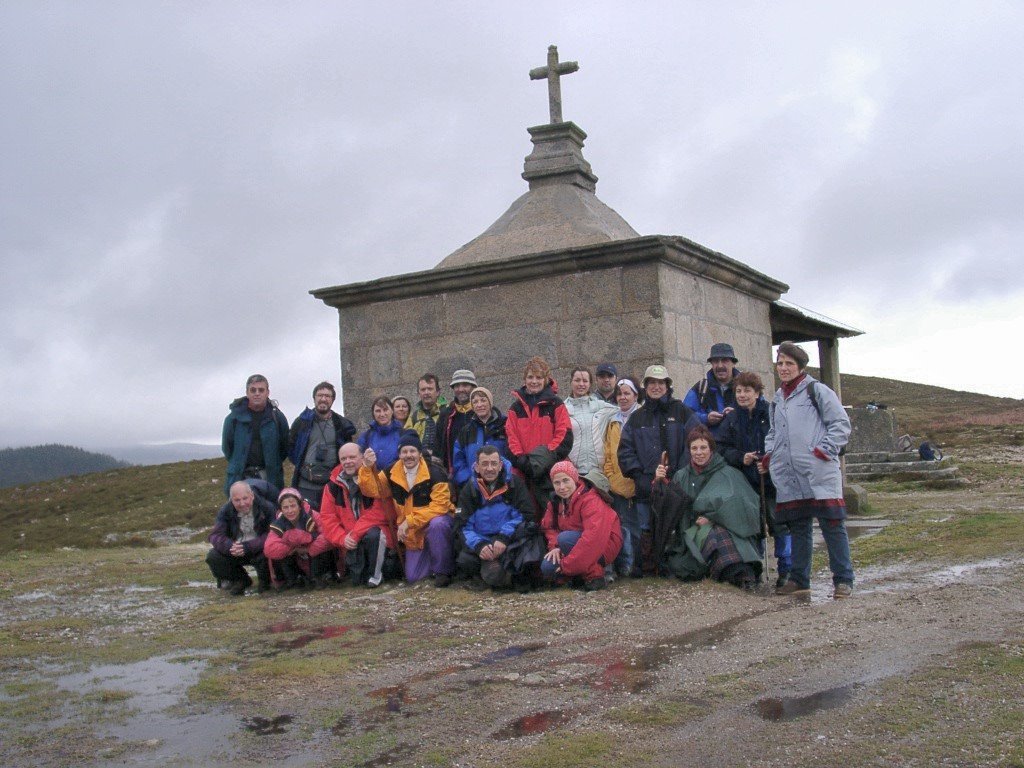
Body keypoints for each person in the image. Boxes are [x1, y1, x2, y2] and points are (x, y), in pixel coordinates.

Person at [763, 342, 854, 599]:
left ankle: (844, 580)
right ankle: (800, 579)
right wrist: (771, 453)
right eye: (780, 363)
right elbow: (773, 431)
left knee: (832, 525)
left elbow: (840, 423)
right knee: (799, 526)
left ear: (800, 366)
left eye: (789, 363)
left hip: (818, 469)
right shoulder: (777, 398)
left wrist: (823, 450)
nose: (783, 368)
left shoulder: (818, 391)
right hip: (790, 474)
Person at [616, 365, 700, 574]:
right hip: (647, 485)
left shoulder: (681, 411)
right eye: (651, 382)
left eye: (660, 382)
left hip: (677, 483)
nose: (656, 387)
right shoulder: (636, 418)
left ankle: (674, 566)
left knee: (675, 525)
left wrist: (681, 472)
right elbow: (625, 451)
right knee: (645, 527)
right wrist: (639, 475)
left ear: (667, 386)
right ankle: (649, 566)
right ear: (645, 386)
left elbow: (696, 439)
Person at [657, 426, 763, 589]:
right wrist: (660, 482)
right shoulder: (681, 476)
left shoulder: (729, 473)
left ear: (711, 449)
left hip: (728, 528)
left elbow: (742, 506)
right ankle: (738, 575)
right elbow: (670, 510)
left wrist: (714, 518)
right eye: (694, 448)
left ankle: (742, 574)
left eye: (703, 447)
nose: (699, 452)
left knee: (719, 535)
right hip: (691, 530)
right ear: (689, 450)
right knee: (711, 538)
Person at [717, 371, 792, 587]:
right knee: (753, 526)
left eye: (747, 391)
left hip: (772, 482)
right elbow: (721, 447)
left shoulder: (771, 413)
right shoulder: (731, 419)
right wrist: (742, 458)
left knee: (779, 524)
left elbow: (782, 441)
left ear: (757, 392)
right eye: (738, 391)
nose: (742, 395)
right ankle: (754, 566)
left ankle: (786, 569)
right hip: (746, 483)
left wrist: (767, 460)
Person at [361, 431, 455, 587]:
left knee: (438, 524)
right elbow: (374, 490)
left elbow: (440, 506)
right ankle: (432, 562)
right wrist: (366, 468)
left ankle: (443, 572)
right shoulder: (391, 472)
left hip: (432, 522)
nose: (408, 455)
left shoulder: (435, 473)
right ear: (399, 454)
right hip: (413, 532)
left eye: (412, 451)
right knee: (413, 577)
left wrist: (409, 521)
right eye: (404, 451)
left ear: (419, 453)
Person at [454, 446, 541, 591]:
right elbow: (461, 524)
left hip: (509, 539)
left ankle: (510, 576)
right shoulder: (469, 489)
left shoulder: (514, 483)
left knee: (530, 543)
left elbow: (527, 514)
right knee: (465, 559)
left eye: (493, 463)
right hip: (484, 541)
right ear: (476, 467)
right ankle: (488, 576)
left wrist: (504, 537)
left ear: (500, 465)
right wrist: (479, 545)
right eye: (485, 464)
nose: (489, 468)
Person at [319, 443, 400, 588]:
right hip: (350, 540)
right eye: (343, 458)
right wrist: (342, 538)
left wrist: (355, 534)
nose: (347, 461)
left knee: (375, 534)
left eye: (352, 457)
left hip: (376, 535)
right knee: (357, 581)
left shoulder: (376, 477)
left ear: (362, 457)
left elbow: (380, 513)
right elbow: (327, 518)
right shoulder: (332, 486)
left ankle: (377, 576)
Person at [540, 460, 622, 591]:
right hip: (573, 543)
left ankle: (594, 576)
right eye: (557, 483)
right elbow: (549, 527)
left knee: (565, 539)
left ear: (575, 479)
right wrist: (555, 546)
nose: (562, 487)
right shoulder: (555, 502)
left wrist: (567, 566)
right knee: (548, 567)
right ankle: (578, 575)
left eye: (566, 481)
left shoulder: (590, 499)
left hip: (605, 544)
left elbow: (593, 539)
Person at [505, 356, 573, 514]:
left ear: (546, 379)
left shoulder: (556, 404)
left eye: (538, 377)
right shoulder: (515, 408)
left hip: (551, 472)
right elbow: (511, 437)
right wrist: (522, 460)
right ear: (524, 379)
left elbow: (564, 436)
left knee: (554, 515)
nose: (534, 381)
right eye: (530, 377)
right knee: (529, 515)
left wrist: (542, 460)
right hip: (524, 471)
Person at [287, 381, 357, 510]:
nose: (323, 399)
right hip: (306, 483)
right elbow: (290, 447)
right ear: (314, 398)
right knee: (308, 521)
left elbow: (347, 451)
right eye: (320, 395)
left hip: (332, 483)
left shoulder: (341, 424)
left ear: (333, 400)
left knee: (331, 520)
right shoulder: (302, 421)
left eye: (327, 396)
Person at [221, 374, 289, 496]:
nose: (257, 393)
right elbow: (227, 449)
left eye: (261, 390)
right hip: (240, 477)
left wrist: (273, 463)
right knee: (240, 513)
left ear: (268, 392)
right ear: (247, 393)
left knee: (269, 512)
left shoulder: (277, 418)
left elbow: (284, 448)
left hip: (270, 478)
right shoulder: (233, 419)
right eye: (253, 390)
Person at [205, 480, 275, 595]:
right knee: (213, 556)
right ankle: (241, 580)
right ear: (231, 500)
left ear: (251, 496)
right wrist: (230, 546)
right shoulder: (225, 511)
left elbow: (272, 534)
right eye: (237, 500)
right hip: (235, 550)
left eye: (245, 498)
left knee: (269, 552)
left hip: (259, 550)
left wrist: (248, 547)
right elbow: (215, 535)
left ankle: (265, 582)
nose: (242, 503)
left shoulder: (267, 507)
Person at [602, 377, 642, 578]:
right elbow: (608, 452)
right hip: (617, 484)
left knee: (639, 527)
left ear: (636, 395)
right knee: (623, 527)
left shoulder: (642, 417)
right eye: (620, 394)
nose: (623, 397)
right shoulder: (614, 421)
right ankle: (626, 566)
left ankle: (639, 565)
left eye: (627, 393)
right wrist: (610, 474)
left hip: (638, 483)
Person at [263, 487, 337, 589]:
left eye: (293, 506)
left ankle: (321, 577)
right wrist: (294, 548)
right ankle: (293, 580)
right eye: (286, 507)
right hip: (296, 557)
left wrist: (308, 548)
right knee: (279, 556)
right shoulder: (278, 524)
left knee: (323, 550)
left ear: (300, 505)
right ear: (281, 509)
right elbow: (269, 548)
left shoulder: (313, 516)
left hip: (315, 557)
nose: (290, 510)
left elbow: (329, 537)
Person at [564, 367, 618, 486]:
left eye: (585, 381)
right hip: (574, 473)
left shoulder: (602, 407)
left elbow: (626, 411)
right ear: (571, 382)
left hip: (599, 473)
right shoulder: (562, 409)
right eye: (577, 380)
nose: (581, 384)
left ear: (590, 384)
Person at [451, 386, 509, 489]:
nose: (479, 405)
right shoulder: (466, 431)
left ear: (490, 402)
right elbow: (458, 459)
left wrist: (506, 477)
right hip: (474, 486)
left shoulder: (505, 425)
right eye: (475, 402)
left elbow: (511, 453)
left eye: (483, 400)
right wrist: (467, 480)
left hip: (502, 484)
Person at [683, 343, 740, 437]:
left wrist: (738, 415)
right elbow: (685, 415)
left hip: (740, 448)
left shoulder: (746, 386)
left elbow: (760, 413)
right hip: (710, 448)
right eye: (716, 361)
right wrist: (706, 418)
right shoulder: (701, 388)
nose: (720, 365)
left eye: (725, 360)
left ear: (733, 364)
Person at [436, 369, 478, 474]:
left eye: (465, 385)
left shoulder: (481, 412)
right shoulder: (446, 415)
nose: (461, 389)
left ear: (473, 387)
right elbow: (438, 444)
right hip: (453, 474)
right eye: (457, 386)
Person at [357, 396, 404, 472]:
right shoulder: (366, 437)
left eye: (385, 410)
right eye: (378, 411)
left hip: (398, 479)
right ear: (373, 413)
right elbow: (359, 460)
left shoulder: (403, 434)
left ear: (392, 411)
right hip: (374, 480)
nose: (382, 414)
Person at [407, 374, 447, 460]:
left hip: (443, 464)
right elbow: (407, 441)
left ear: (438, 392)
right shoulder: (413, 417)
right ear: (418, 393)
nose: (426, 392)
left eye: (430, 389)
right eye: (423, 389)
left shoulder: (448, 412)